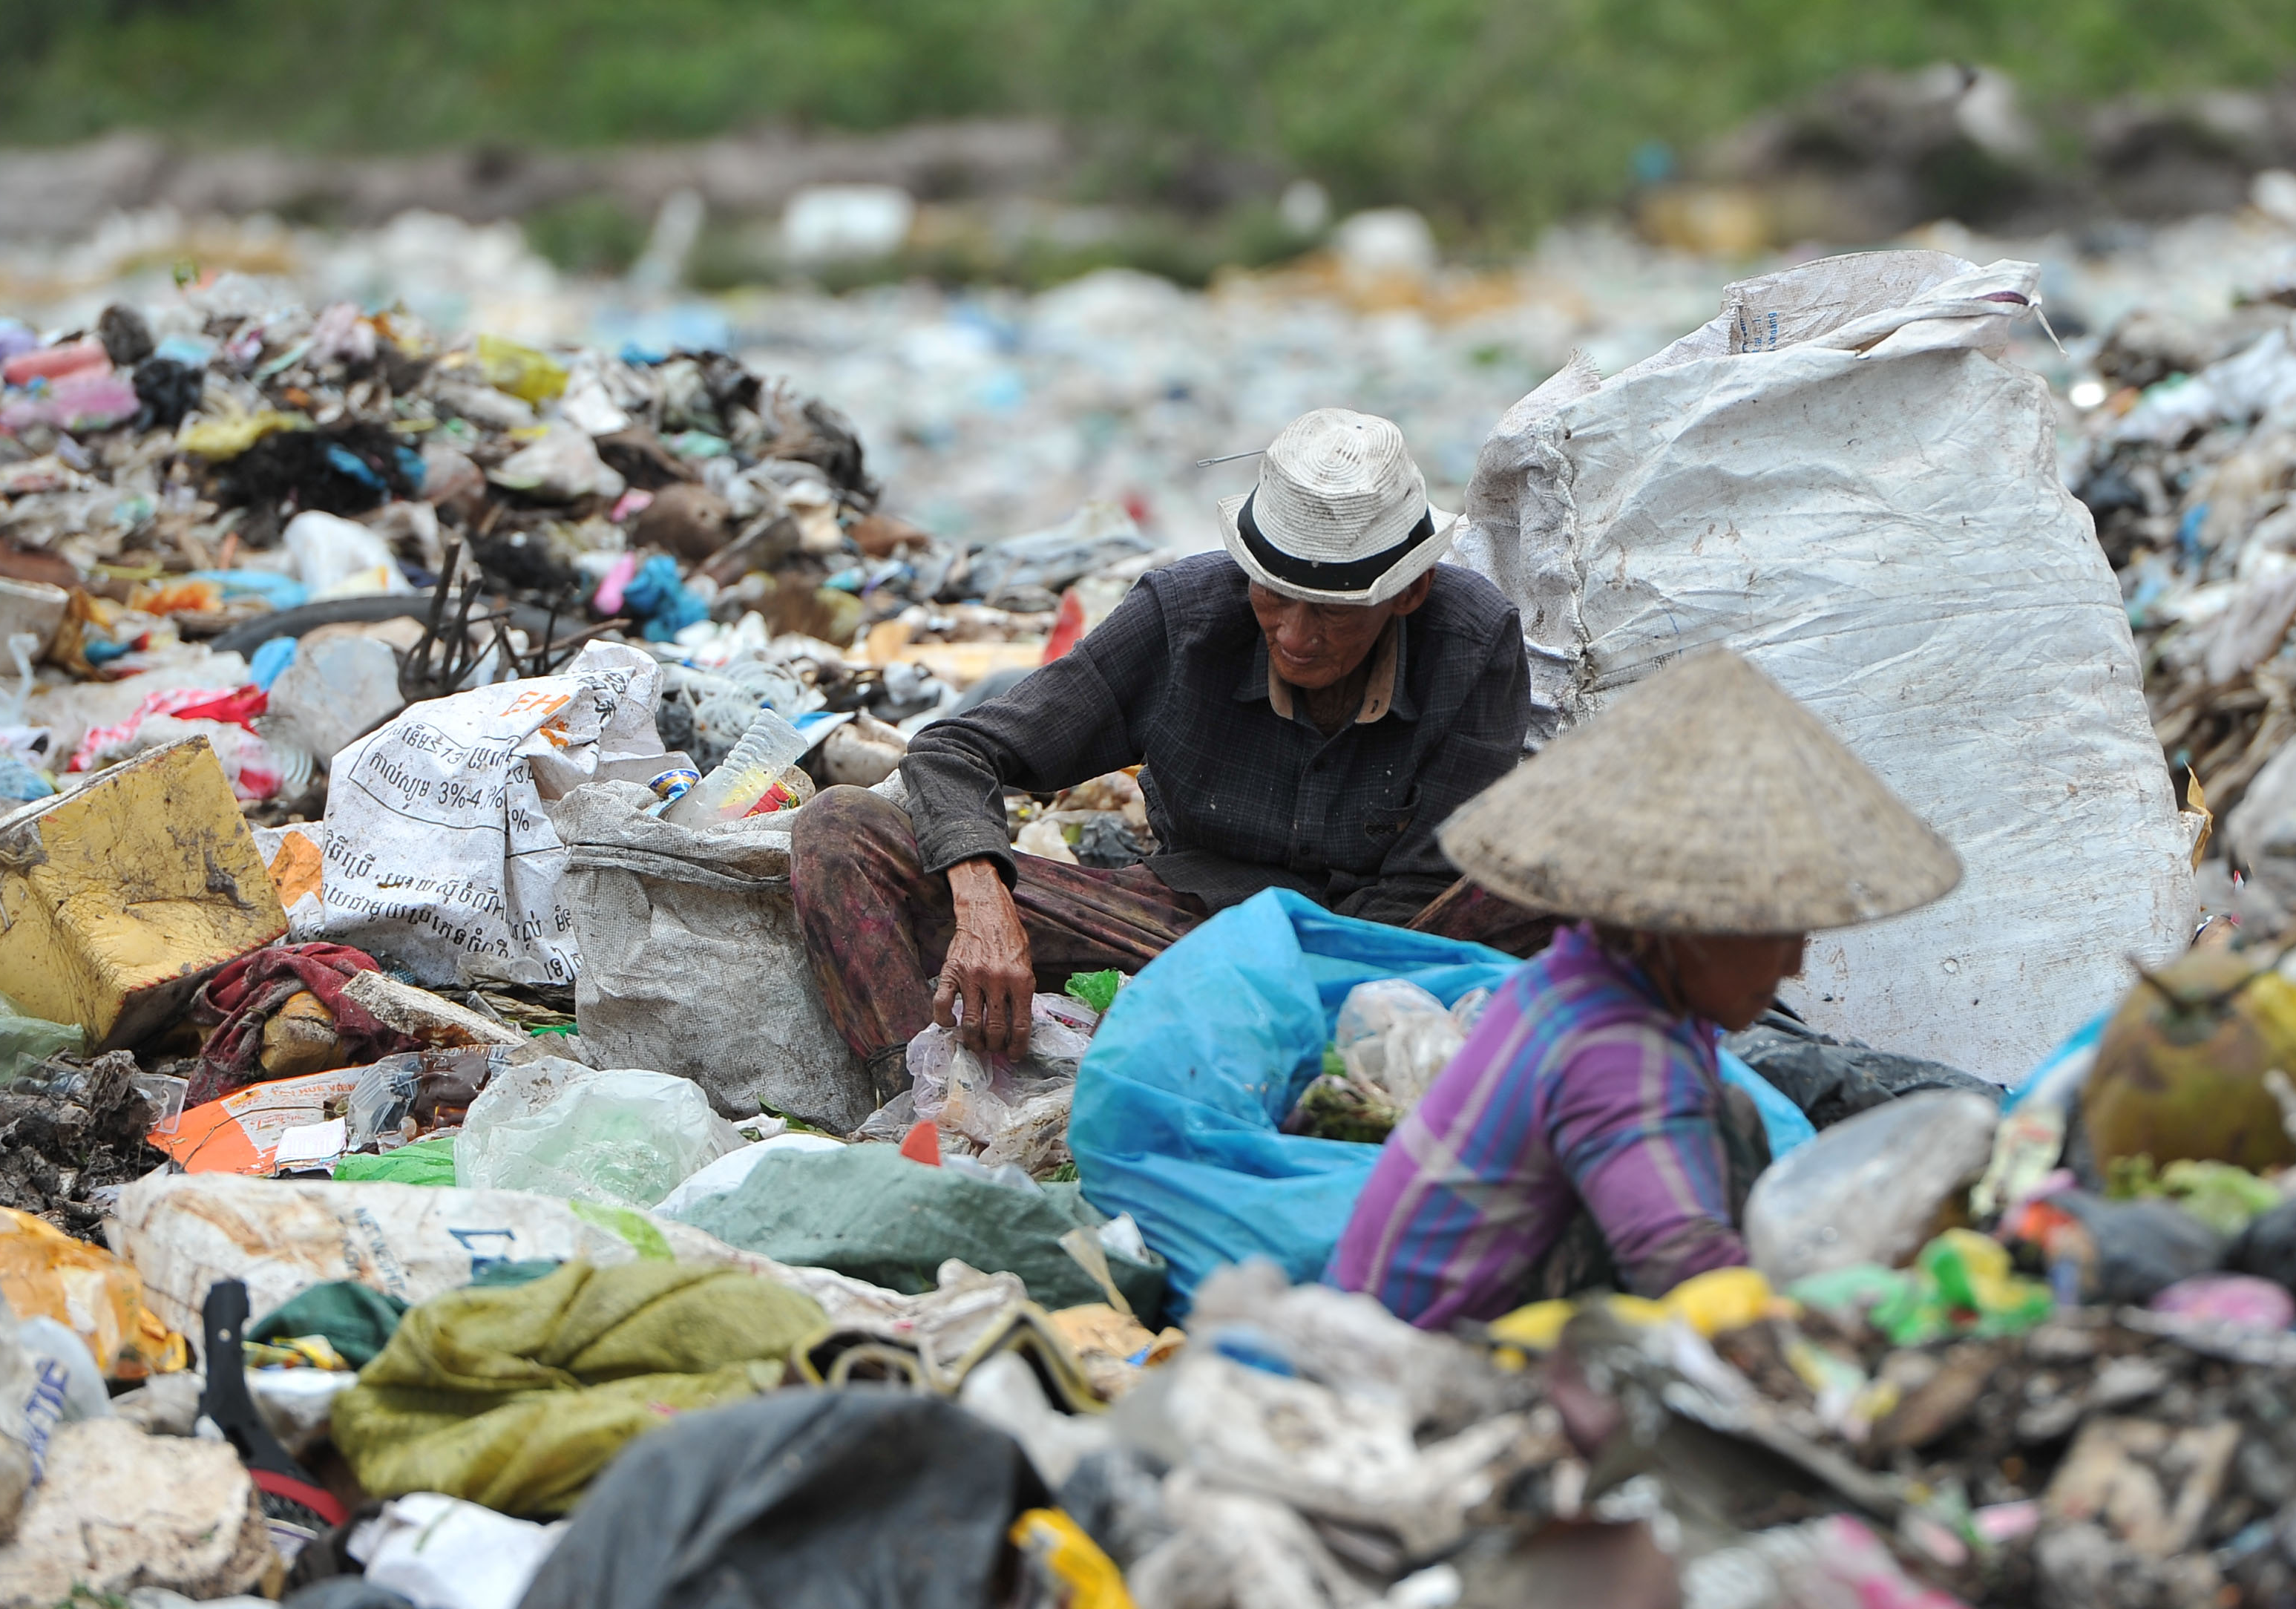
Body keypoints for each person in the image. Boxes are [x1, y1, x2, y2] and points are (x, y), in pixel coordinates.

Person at [789, 408, 1551, 1076]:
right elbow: (955, 751)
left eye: (1332, 613)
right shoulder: (1182, 616)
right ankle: (908, 1101)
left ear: (1407, 593)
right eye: (1273, 596)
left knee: (1580, 897)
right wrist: (984, 902)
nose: (1293, 635)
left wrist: (1286, 999)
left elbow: (1429, 886)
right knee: (841, 829)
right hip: (1176, 924)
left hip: (1376, 950)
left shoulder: (1470, 641)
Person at [1328, 646, 1963, 1329]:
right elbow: (1684, 1268)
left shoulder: (1569, 979)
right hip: (1417, 1357)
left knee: (1734, 1118)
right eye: (1777, 933)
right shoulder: (1612, 1050)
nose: (1794, 969)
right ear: (1686, 926)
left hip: (1390, 1313)